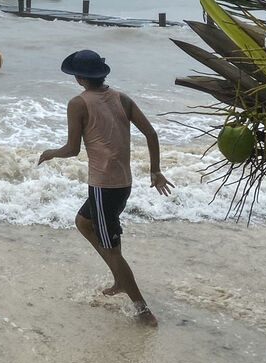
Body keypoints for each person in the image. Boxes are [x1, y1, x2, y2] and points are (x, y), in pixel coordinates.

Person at [37, 49, 174, 327]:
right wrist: (155, 170)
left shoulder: (78, 103)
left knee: (110, 247)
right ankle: (118, 279)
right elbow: (151, 133)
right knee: (83, 223)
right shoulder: (122, 98)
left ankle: (142, 310)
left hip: (103, 186)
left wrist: (51, 152)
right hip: (124, 184)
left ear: (78, 77)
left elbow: (73, 149)